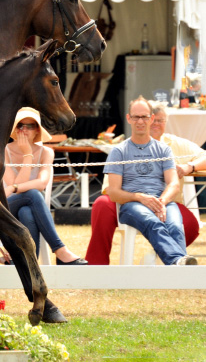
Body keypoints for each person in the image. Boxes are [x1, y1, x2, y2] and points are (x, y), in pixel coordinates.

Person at [85, 100, 206, 264]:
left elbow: (174, 183)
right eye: (137, 117)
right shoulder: (120, 150)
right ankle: (96, 265)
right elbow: (111, 190)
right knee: (102, 205)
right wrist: (140, 197)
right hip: (129, 199)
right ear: (129, 119)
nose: (152, 124)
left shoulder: (170, 146)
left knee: (184, 226)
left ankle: (172, 263)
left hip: (167, 200)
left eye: (159, 120)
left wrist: (189, 167)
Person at [1, 107, 87, 265]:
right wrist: (27, 155)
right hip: (7, 207)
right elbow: (20, 186)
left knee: (27, 211)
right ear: (14, 129)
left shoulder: (46, 152)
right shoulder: (4, 151)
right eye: (20, 126)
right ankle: (60, 250)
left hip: (30, 206)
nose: (24, 130)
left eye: (30, 126)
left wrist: (13, 188)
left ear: (37, 131)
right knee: (32, 194)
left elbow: (42, 183)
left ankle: (26, 260)